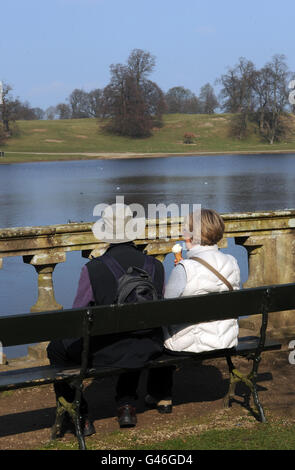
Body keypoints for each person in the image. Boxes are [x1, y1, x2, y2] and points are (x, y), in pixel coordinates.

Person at [47, 203, 173, 436]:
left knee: (55, 348)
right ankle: (126, 405)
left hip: (107, 351)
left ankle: (81, 415)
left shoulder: (93, 268)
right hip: (149, 346)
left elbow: (79, 315)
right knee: (134, 331)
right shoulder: (156, 265)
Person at [163, 208, 240, 353]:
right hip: (226, 342)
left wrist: (182, 269)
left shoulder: (184, 269)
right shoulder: (232, 262)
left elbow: (165, 310)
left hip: (189, 346)